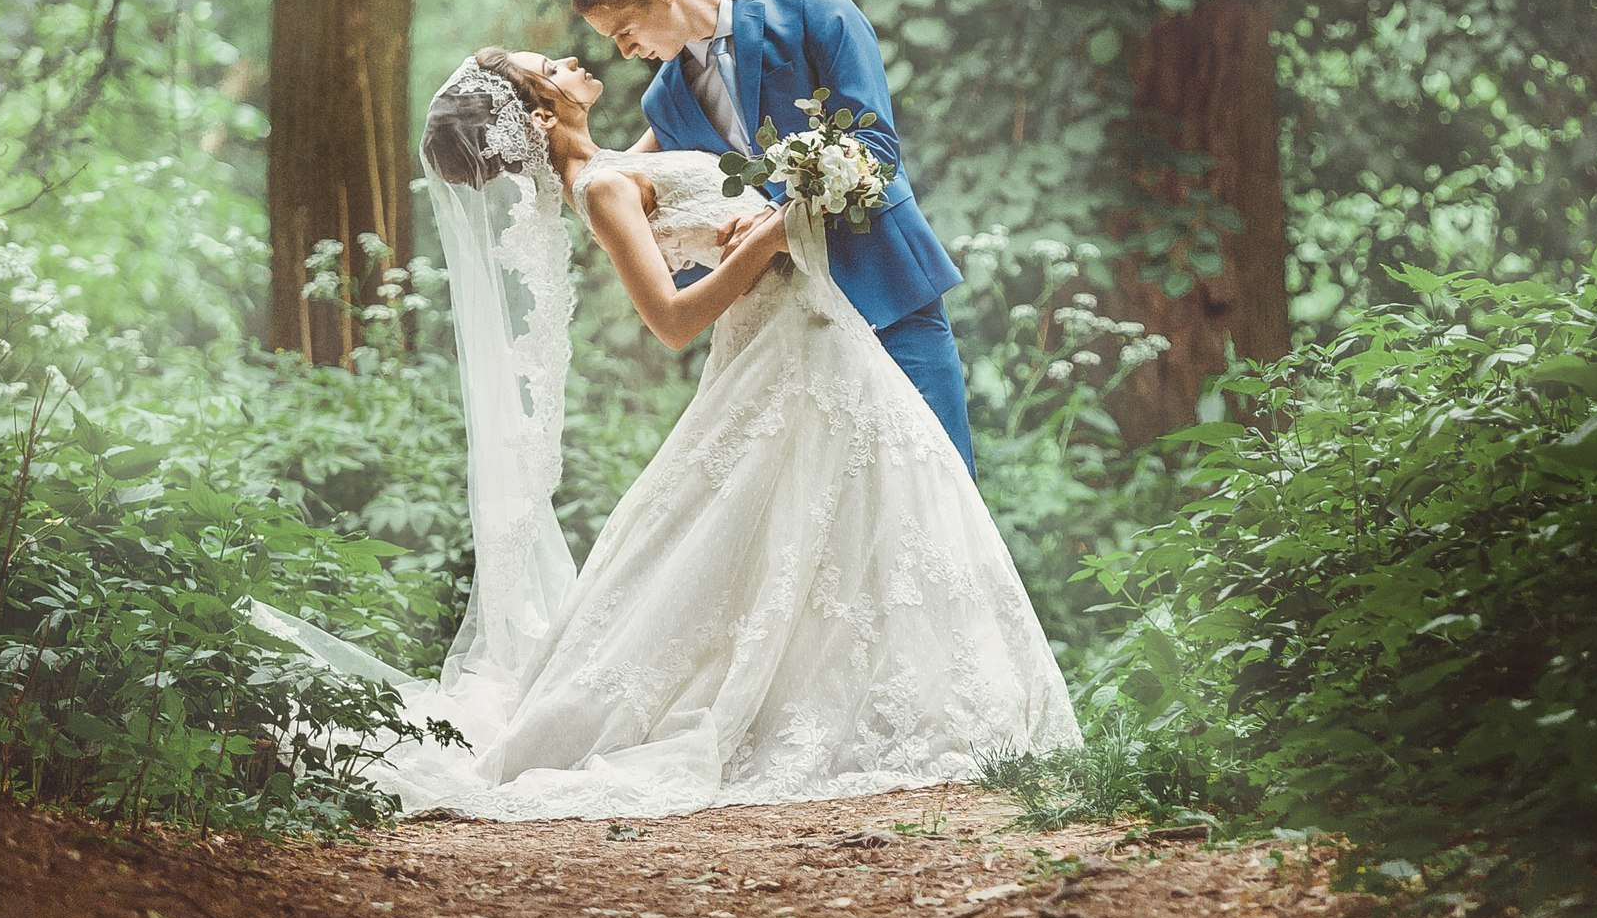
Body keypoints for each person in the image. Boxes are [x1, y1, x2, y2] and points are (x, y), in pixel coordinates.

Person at [292, 46, 1076, 822]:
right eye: (552, 65)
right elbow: (671, 319)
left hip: (810, 335)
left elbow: (696, 86)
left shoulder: (612, 165)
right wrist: (774, 234)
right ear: (539, 111)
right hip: (785, 346)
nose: (572, 57)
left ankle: (902, 695)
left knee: (855, 517)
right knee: (818, 519)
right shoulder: (600, 190)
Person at [568, 0, 979, 474]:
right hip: (793, 335)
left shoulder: (811, 7)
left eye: (623, 31)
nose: (623, 52)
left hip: (890, 292)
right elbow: (637, 208)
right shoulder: (664, 103)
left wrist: (778, 218)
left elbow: (875, 148)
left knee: (943, 493)